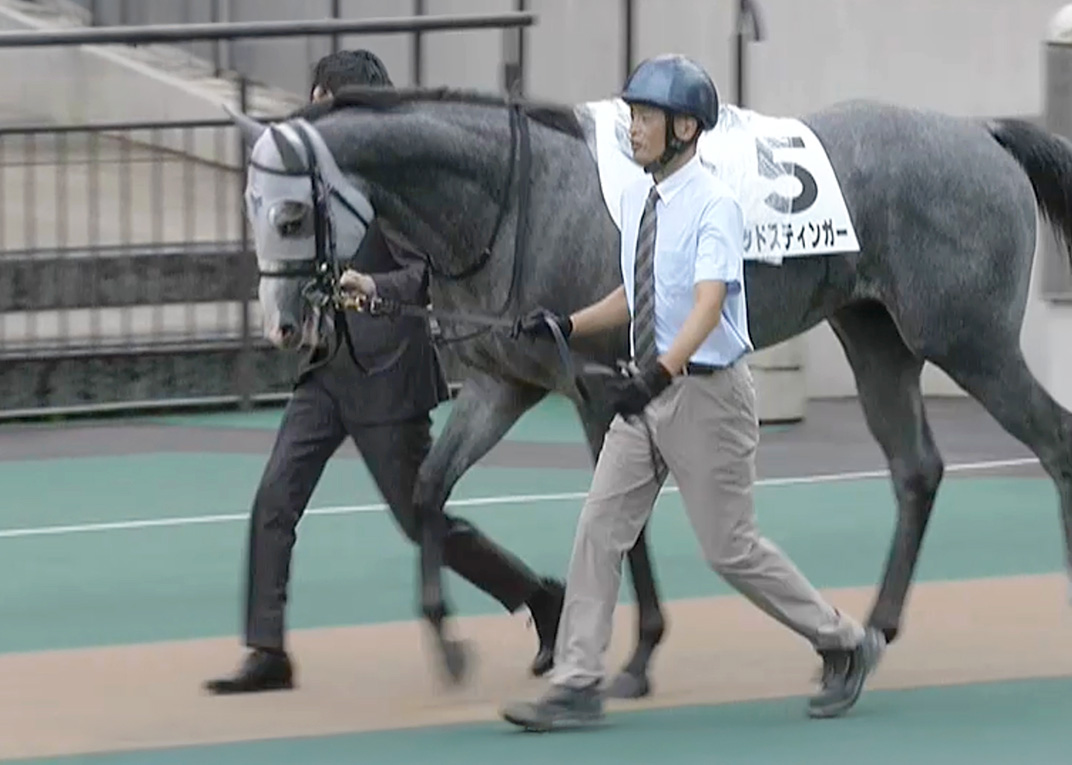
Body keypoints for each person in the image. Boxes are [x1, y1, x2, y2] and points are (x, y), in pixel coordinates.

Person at [498, 53, 884, 731]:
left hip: (706, 397)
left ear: (684, 128)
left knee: (730, 547)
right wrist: (566, 323)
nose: (633, 128)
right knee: (599, 529)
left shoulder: (714, 205)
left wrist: (660, 371)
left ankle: (845, 641)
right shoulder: (639, 201)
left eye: (645, 117)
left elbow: (708, 304)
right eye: (631, 116)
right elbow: (635, 291)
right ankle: (578, 681)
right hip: (647, 394)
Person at [205, 49, 564, 695]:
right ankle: (267, 650)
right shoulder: (317, 176)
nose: (313, 115)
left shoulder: (402, 183)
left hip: (389, 378)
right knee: (275, 500)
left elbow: (424, 275)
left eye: (322, 104)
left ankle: (540, 598)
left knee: (421, 522)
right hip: (326, 368)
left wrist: (373, 288)